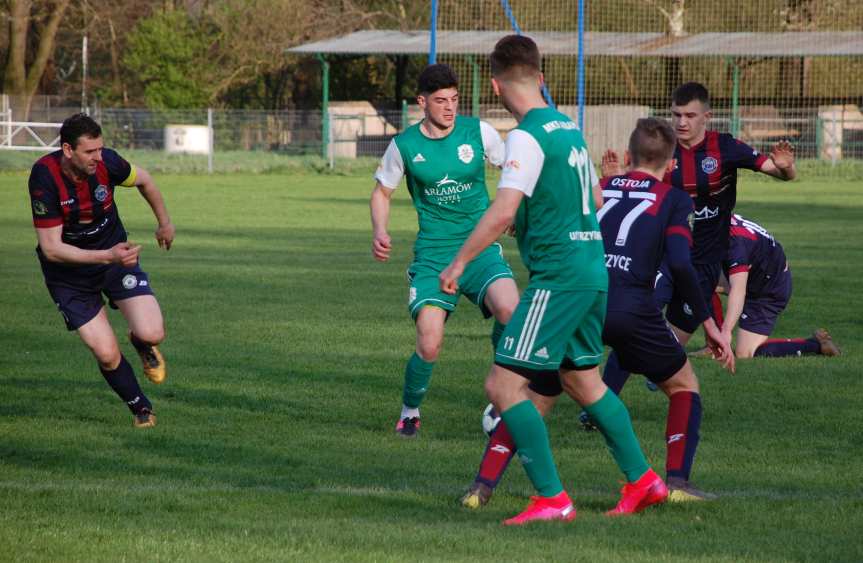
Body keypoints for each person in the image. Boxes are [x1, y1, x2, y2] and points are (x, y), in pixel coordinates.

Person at [440, 35, 666, 525]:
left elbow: (503, 210)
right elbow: (599, 202)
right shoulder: (570, 130)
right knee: (583, 381)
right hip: (591, 269)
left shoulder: (526, 135)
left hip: (559, 277)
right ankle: (644, 481)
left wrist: (458, 264)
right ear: (540, 78)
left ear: (497, 86)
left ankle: (551, 499)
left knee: (502, 386)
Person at [460, 118, 736, 509]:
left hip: (579, 296)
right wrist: (709, 323)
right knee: (683, 385)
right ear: (671, 165)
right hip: (630, 307)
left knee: (537, 393)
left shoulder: (600, 186)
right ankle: (676, 481)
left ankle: (482, 486)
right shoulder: (675, 199)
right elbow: (680, 263)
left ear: (627, 157)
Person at [599, 81, 797, 395]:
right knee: (633, 325)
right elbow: (635, 186)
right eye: (676, 115)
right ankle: (599, 406)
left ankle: (657, 372)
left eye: (690, 115)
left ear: (706, 115)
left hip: (704, 267)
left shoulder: (726, 147)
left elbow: (778, 170)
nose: (681, 122)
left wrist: (786, 169)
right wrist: (613, 178)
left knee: (665, 347)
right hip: (662, 256)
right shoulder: (664, 148)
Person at [370, 63, 519, 438]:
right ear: (422, 102)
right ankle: (410, 410)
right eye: (440, 101)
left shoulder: (478, 132)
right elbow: (381, 192)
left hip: (480, 248)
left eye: (454, 100)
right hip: (435, 255)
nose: (450, 108)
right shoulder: (404, 145)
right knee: (430, 342)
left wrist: (513, 211)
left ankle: (499, 393)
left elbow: (512, 171)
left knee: (510, 308)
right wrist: (380, 230)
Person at [28, 113, 173, 428]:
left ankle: (141, 342)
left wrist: (164, 223)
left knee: (153, 332)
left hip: (115, 261)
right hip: (68, 277)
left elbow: (146, 180)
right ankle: (142, 409)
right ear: (68, 150)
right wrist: (107, 256)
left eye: (100, 149)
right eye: (89, 152)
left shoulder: (108, 163)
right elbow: (52, 248)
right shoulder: (45, 177)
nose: (98, 157)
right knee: (106, 353)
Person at [721, 214, 840, 358]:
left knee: (745, 353)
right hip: (758, 276)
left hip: (768, 291)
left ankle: (816, 345)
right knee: (701, 282)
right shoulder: (720, 220)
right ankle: (712, 346)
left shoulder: (736, 243)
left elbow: (738, 291)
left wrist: (726, 331)